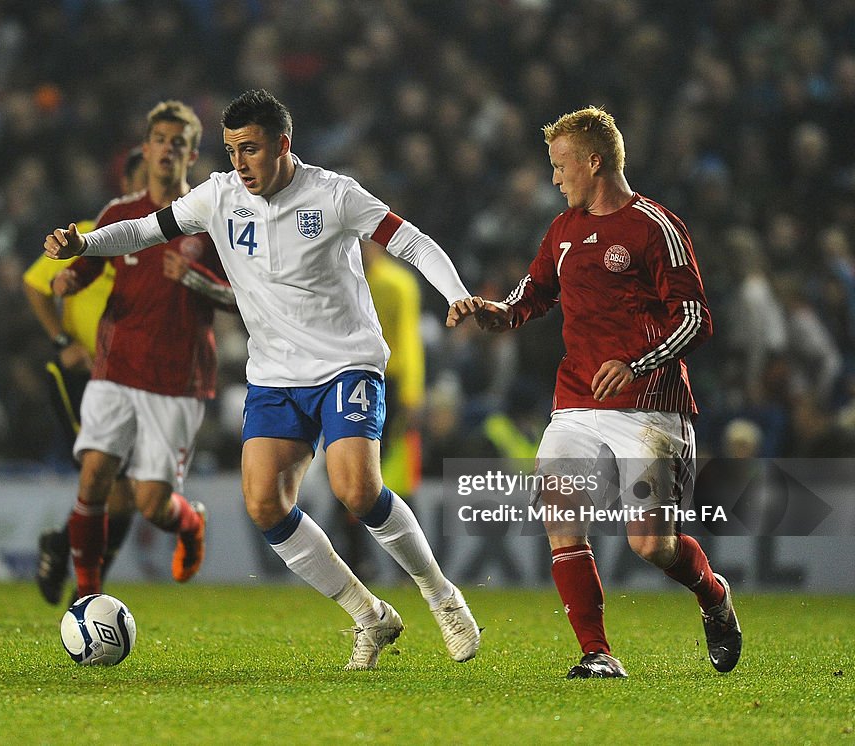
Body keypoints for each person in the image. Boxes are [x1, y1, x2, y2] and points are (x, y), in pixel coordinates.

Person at [45, 88, 482, 671]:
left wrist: (456, 295)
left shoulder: (333, 195)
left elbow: (412, 242)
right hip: (275, 375)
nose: (239, 163)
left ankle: (441, 596)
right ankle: (369, 616)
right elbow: (147, 230)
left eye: (250, 150)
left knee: (356, 489)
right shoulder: (219, 197)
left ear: (283, 144)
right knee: (265, 504)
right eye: (230, 151)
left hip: (346, 362)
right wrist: (85, 243)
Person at [452, 106, 742, 678]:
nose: (554, 179)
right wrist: (494, 314)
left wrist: (638, 363)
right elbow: (531, 296)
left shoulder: (654, 227)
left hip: (651, 406)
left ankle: (713, 594)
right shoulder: (563, 230)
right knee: (560, 508)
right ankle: (596, 653)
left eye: (561, 166)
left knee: (651, 548)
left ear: (594, 161)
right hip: (577, 402)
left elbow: (696, 318)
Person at [48, 100, 234, 601]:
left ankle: (190, 522)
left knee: (153, 505)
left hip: (178, 377)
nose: (168, 149)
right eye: (160, 139)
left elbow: (247, 297)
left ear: (193, 154)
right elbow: (85, 268)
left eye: (180, 142)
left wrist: (196, 279)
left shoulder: (211, 221)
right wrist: (68, 276)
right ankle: (86, 598)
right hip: (115, 367)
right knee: (95, 482)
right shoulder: (120, 214)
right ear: (147, 149)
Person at [22, 147, 147, 605]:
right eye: (140, 182)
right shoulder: (92, 235)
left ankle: (64, 553)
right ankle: (88, 589)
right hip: (83, 377)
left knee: (128, 495)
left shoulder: (163, 243)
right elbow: (36, 285)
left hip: (134, 380)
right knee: (107, 480)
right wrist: (61, 341)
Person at [334, 240, 426, 581]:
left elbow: (408, 338)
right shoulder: (344, 278)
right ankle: (359, 560)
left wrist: (413, 392)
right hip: (350, 379)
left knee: (393, 476)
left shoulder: (397, 283)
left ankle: (408, 564)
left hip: (394, 384)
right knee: (353, 474)